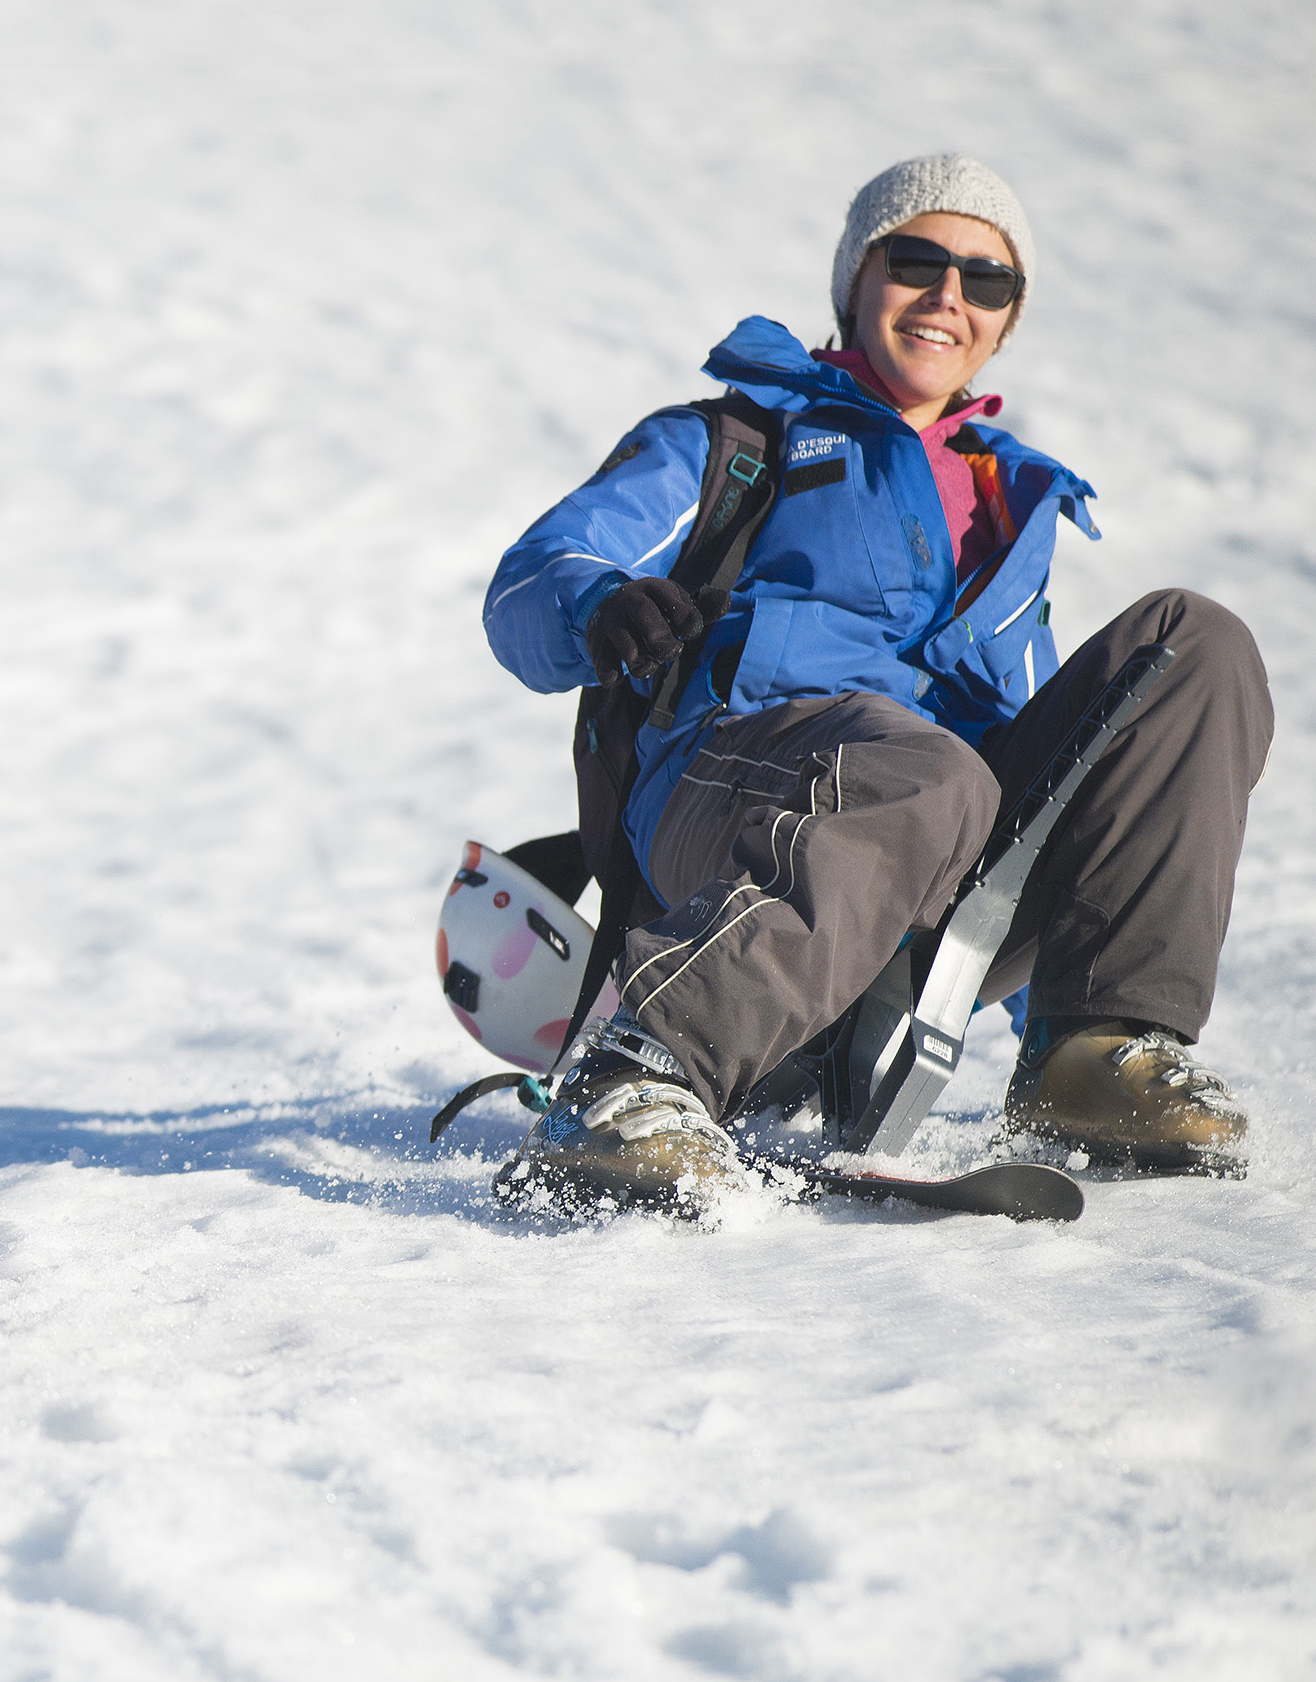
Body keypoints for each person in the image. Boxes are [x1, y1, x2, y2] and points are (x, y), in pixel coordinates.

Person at [482, 153, 1271, 1210]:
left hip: (938, 823)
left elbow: (1071, 787)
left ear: (1006, 317)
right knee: (927, 768)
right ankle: (639, 1071)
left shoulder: (1013, 502)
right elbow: (536, 576)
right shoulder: (738, 439)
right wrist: (601, 607)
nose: (948, 294)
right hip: (742, 786)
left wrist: (1062, 962)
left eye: (985, 279)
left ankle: (1094, 1054)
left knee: (1192, 643)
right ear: (855, 279)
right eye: (915, 261)